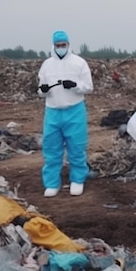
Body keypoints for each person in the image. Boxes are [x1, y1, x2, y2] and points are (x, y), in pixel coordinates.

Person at [37, 30, 93, 197]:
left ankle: (77, 180)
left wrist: (75, 85)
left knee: (76, 147)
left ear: (68, 45)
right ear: (53, 46)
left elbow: (88, 87)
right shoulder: (47, 65)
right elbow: (41, 89)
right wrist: (43, 90)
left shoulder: (79, 63)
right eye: (58, 45)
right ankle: (52, 183)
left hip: (74, 110)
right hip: (53, 111)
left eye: (63, 45)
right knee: (51, 148)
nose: (60, 48)